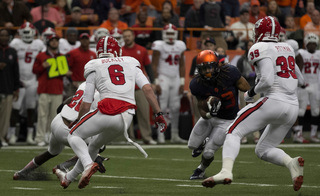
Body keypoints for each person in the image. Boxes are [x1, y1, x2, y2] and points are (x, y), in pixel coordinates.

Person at [202, 16, 306, 192]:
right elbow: (301, 80)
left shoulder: (260, 47)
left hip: (274, 100)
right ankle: (291, 163)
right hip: (292, 106)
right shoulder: (287, 47)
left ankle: (225, 171)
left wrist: (249, 93)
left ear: (259, 32)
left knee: (233, 131)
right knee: (263, 149)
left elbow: (266, 80)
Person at [54, 36, 167, 189]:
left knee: (73, 134)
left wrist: (78, 121)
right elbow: (147, 89)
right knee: (93, 146)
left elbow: (87, 102)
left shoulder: (93, 64)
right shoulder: (130, 61)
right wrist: (158, 114)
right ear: (118, 50)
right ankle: (69, 178)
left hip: (107, 111)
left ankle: (88, 165)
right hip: (126, 119)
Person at [13, 82, 106, 180]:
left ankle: (22, 173)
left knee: (51, 152)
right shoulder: (102, 95)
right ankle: (63, 166)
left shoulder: (85, 84)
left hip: (58, 120)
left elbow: (69, 100)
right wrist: (95, 156)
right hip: (68, 128)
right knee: (99, 146)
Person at [188, 50, 251, 180]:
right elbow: (201, 111)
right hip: (211, 118)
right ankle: (203, 141)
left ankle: (201, 169)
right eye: (203, 69)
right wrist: (210, 112)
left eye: (210, 67)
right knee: (192, 145)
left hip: (227, 120)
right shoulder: (196, 84)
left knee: (209, 152)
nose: (207, 72)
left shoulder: (230, 72)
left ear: (217, 65)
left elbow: (246, 88)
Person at [7, 22, 45, 145]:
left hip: (33, 79)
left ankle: (29, 134)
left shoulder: (38, 44)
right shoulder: (15, 43)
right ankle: (12, 134)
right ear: (20, 33)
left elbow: (44, 57)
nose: (27, 35)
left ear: (34, 33)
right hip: (20, 80)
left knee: (31, 108)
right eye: (25, 32)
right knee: (15, 108)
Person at [152, 24, 187, 144]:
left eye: (172, 33)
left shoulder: (180, 45)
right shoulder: (159, 45)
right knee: (161, 106)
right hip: (163, 77)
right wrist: (156, 82)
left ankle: (174, 134)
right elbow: (154, 64)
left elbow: (182, 64)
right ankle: (160, 134)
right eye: (168, 33)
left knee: (176, 107)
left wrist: (182, 82)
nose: (170, 36)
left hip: (175, 77)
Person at [122, 29, 157, 145]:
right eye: (125, 36)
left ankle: (146, 137)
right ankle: (129, 138)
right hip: (125, 87)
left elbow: (148, 67)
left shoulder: (141, 50)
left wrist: (153, 82)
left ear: (133, 36)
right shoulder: (119, 51)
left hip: (139, 87)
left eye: (129, 36)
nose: (127, 38)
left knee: (144, 113)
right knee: (127, 115)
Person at [32, 34, 66, 147]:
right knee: (42, 115)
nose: (54, 42)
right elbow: (34, 70)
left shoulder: (62, 56)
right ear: (48, 42)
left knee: (55, 117)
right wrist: (42, 66)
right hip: (44, 89)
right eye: (52, 40)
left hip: (57, 89)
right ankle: (40, 137)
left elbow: (65, 72)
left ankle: (53, 138)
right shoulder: (41, 55)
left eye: (56, 40)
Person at [292, 33, 320, 143]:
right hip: (303, 85)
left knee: (316, 111)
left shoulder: (318, 54)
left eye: (314, 44)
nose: (312, 46)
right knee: (300, 111)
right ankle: (298, 134)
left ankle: (313, 134)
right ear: (306, 44)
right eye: (310, 44)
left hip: (315, 85)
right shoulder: (301, 53)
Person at [236, 40, 260, 144]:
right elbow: (237, 74)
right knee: (244, 111)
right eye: (249, 45)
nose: (250, 46)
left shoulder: (259, 59)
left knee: (256, 112)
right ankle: (243, 135)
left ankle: (256, 135)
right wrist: (246, 75)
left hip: (255, 87)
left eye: (252, 45)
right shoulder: (241, 59)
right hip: (244, 87)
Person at [189, 37, 216, 124]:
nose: (208, 47)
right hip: (200, 87)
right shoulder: (197, 58)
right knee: (199, 113)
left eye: (210, 45)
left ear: (214, 46)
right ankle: (199, 135)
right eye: (206, 45)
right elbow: (192, 76)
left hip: (214, 87)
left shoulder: (218, 57)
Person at [0, 28, 19, 147]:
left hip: (8, 88)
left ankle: (2, 137)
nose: (4, 38)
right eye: (2, 36)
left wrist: (16, 88)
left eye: (6, 36)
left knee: (5, 117)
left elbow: (16, 71)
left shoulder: (12, 51)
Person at [66, 33, 96, 97]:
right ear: (80, 40)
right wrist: (71, 81)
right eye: (83, 39)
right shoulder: (73, 53)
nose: (84, 41)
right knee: (72, 103)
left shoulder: (93, 54)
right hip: (76, 83)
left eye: (86, 39)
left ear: (89, 40)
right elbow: (67, 69)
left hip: (89, 83)